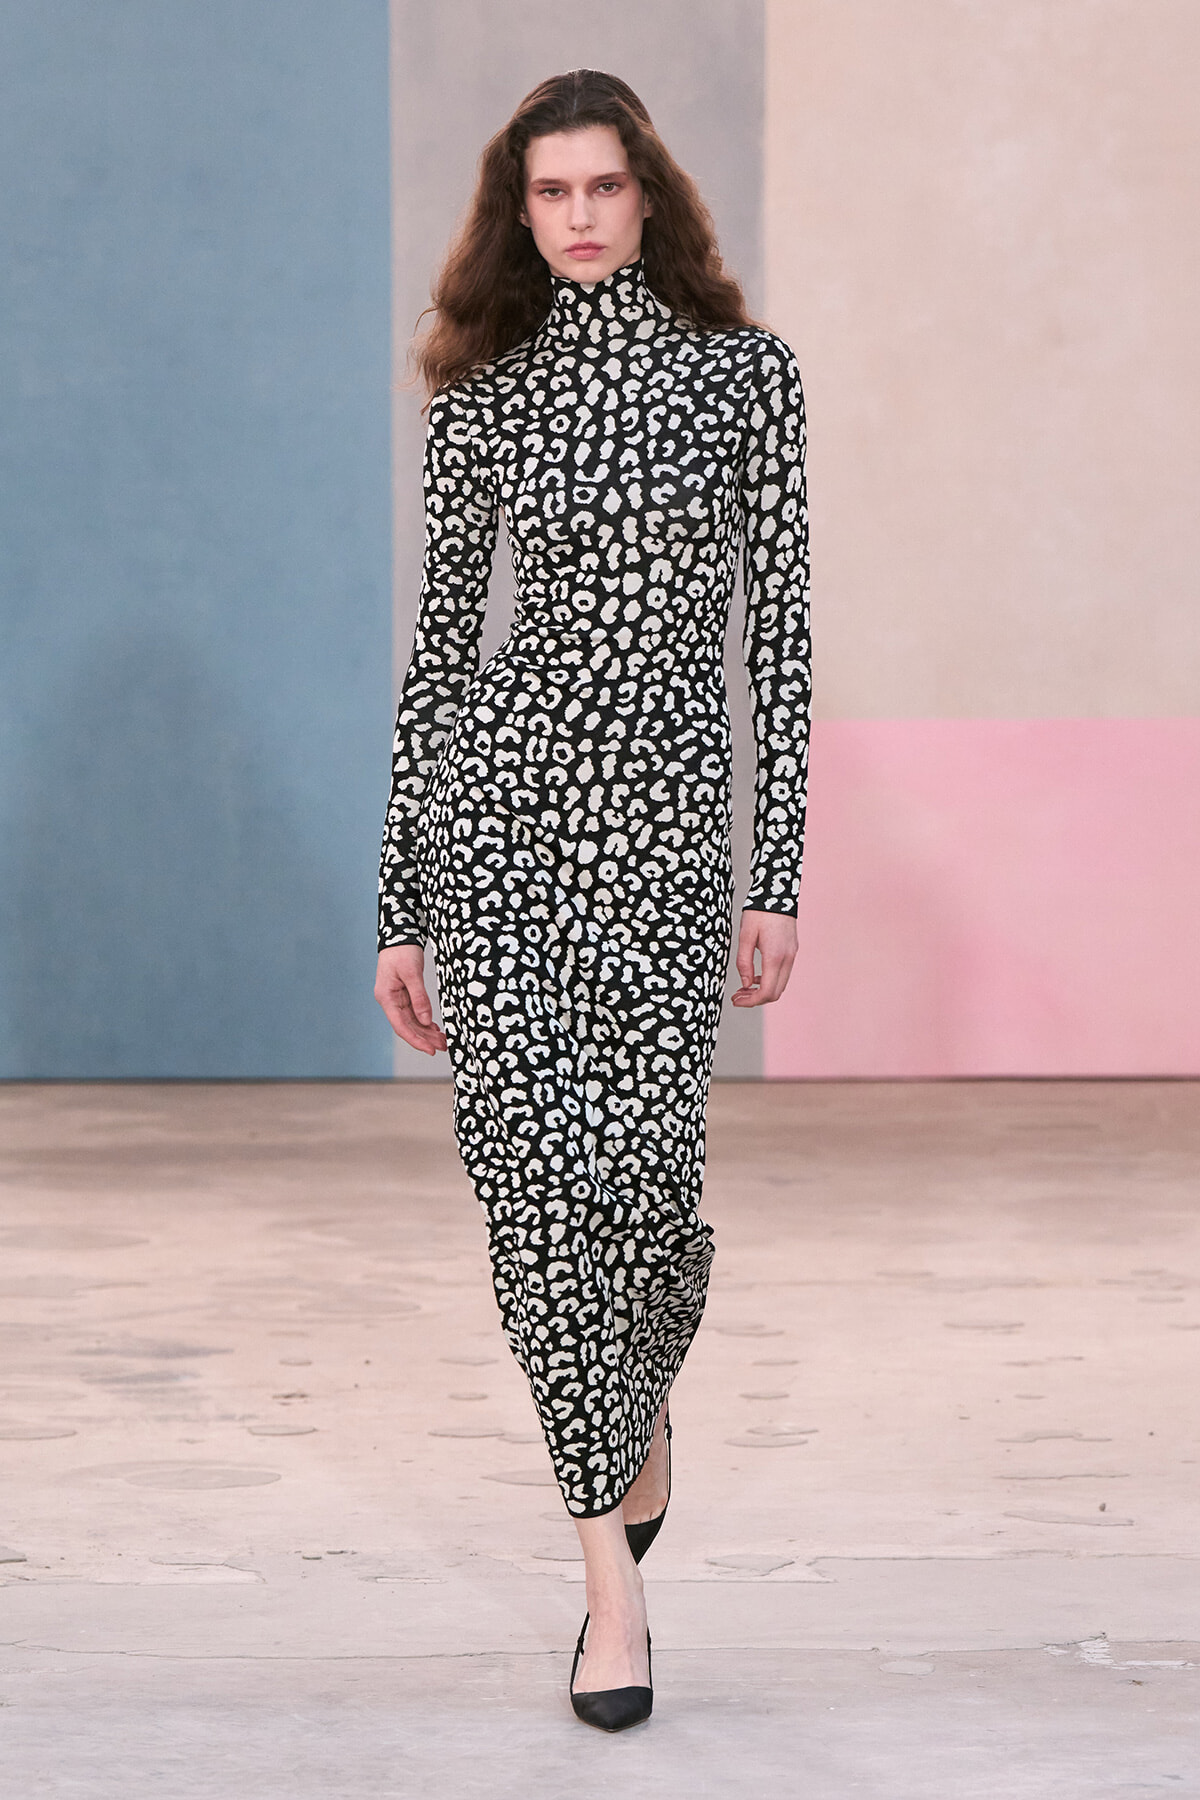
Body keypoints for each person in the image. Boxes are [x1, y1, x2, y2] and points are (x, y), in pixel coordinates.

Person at [375, 68, 810, 1731]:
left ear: (648, 198)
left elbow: (779, 637)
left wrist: (776, 874)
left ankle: (638, 1415)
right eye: (549, 191)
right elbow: (439, 662)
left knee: (643, 1200)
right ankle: (608, 1596)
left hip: (665, 842)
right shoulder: (484, 392)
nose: (576, 216)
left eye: (602, 187)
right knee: (535, 1207)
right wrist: (404, 898)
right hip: (501, 836)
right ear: (520, 208)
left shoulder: (744, 378)